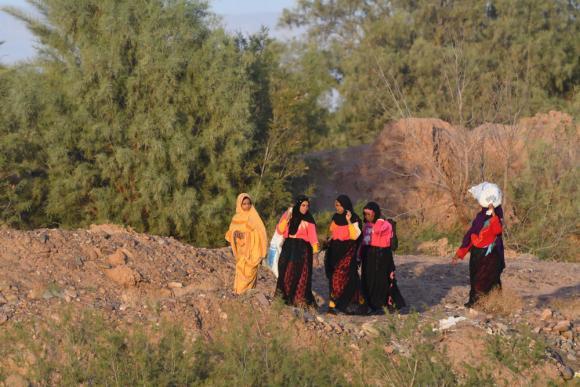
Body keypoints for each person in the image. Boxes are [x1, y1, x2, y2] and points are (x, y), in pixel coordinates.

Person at [452, 203, 505, 308]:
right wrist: (460, 253)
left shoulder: (497, 218)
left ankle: (491, 304)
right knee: (475, 278)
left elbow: (497, 231)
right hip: (477, 254)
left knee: (489, 279)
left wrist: (494, 215)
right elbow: (471, 234)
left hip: (491, 254)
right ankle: (475, 302)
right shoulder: (480, 217)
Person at [360, 202, 406, 314]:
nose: (367, 217)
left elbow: (377, 230)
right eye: (365, 214)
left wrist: (379, 220)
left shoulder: (385, 225)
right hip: (369, 255)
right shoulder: (366, 226)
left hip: (382, 256)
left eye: (369, 214)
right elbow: (363, 242)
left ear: (375, 214)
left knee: (383, 280)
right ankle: (371, 305)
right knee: (368, 280)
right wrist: (359, 256)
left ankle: (386, 305)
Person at [275, 195, 319, 308]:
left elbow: (313, 238)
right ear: (298, 205)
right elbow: (280, 230)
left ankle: (298, 301)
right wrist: (287, 218)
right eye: (303, 205)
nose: (305, 208)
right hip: (288, 248)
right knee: (286, 273)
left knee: (301, 276)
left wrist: (315, 256)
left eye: (307, 206)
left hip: (303, 250)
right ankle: (283, 300)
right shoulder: (288, 215)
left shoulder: (309, 219)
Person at [324, 194, 365, 315]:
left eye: (339, 205)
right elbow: (333, 232)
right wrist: (328, 240)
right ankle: (334, 306)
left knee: (342, 276)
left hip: (348, 251)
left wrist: (348, 220)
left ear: (345, 205)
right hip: (335, 251)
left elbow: (355, 236)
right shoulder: (335, 217)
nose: (337, 207)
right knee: (335, 277)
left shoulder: (355, 218)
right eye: (335, 205)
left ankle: (338, 304)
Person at [225, 193, 267, 294]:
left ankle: (248, 295)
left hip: (252, 251)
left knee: (250, 271)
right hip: (241, 252)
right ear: (239, 204)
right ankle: (239, 293)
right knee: (240, 269)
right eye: (244, 204)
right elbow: (230, 233)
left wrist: (246, 235)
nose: (247, 206)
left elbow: (261, 233)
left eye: (249, 203)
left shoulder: (254, 216)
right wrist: (236, 234)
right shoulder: (236, 218)